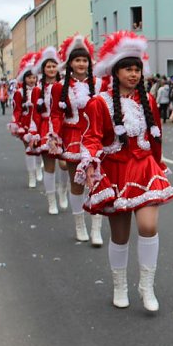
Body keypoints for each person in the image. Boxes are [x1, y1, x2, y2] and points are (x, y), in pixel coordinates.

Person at [77, 31, 173, 311]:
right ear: (115, 72)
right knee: (120, 235)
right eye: (128, 69)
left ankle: (147, 286)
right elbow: (92, 137)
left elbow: (156, 137)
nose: (133, 74)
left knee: (148, 226)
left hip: (145, 168)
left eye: (137, 69)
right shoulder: (100, 103)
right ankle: (119, 286)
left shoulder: (149, 101)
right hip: (116, 170)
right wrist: (91, 162)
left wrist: (159, 164)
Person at [51, 35, 104, 246]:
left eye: (84, 60)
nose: (81, 64)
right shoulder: (59, 87)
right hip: (73, 137)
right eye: (77, 60)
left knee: (97, 183)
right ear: (70, 63)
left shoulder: (99, 84)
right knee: (77, 184)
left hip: (96, 137)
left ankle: (96, 229)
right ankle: (79, 225)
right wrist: (55, 137)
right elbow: (56, 114)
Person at [31, 46, 66, 215]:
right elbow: (35, 114)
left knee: (65, 165)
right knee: (49, 166)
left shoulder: (65, 86)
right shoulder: (38, 89)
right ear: (43, 69)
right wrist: (34, 133)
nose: (52, 69)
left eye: (54, 66)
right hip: (46, 128)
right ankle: (51, 201)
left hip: (63, 128)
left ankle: (63, 191)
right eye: (48, 66)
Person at [8, 52, 42, 187]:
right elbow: (17, 109)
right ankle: (31, 175)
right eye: (29, 77)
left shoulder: (40, 90)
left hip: (38, 123)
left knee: (38, 147)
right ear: (24, 78)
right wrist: (15, 122)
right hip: (25, 123)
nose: (32, 80)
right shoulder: (19, 93)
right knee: (28, 148)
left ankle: (38, 167)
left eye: (34, 77)